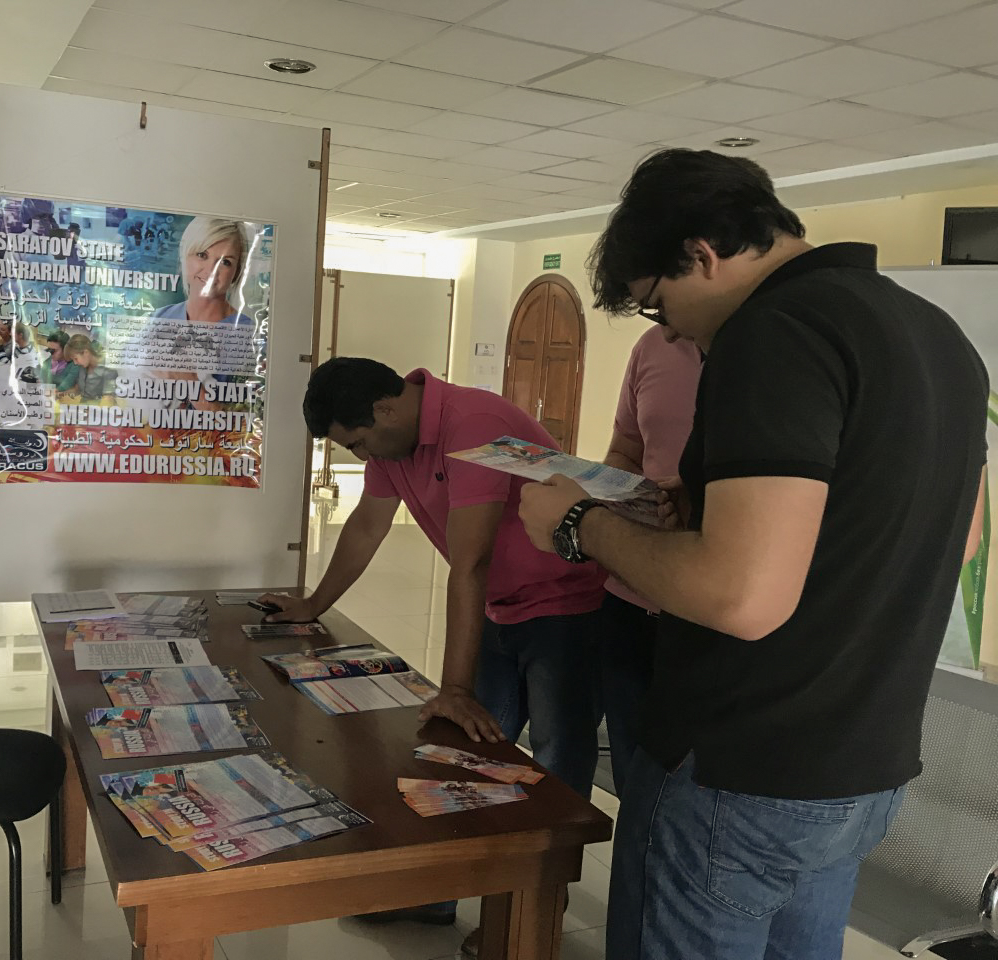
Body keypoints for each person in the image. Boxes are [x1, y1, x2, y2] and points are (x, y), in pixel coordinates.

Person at [517, 148, 988, 960]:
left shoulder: (773, 333)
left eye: (661, 308)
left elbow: (741, 598)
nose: (676, 337)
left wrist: (580, 524)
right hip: (863, 765)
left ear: (702, 253)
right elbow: (957, 536)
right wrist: (708, 520)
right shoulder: (936, 333)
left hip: (743, 764)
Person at [261, 358, 606, 945]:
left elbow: (467, 564)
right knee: (453, 752)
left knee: (554, 764)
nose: (363, 457)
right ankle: (436, 895)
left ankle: (532, 918)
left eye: (361, 442)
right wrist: (313, 603)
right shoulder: (397, 448)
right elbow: (367, 527)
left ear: (385, 409)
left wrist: (455, 687)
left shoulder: (474, 425)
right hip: (500, 605)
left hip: (565, 608)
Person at [599, 324, 701, 801]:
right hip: (630, 597)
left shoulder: (768, 345)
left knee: (689, 791)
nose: (664, 317)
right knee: (630, 767)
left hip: (705, 607)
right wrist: (613, 497)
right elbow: (625, 450)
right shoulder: (654, 344)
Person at [154, 216, 253, 328]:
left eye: (225, 262)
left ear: (236, 272)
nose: (211, 270)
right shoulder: (158, 319)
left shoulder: (249, 332)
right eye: (202, 255)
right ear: (185, 257)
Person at [62, 334, 115, 402]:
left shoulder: (108, 370)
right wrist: (62, 394)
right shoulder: (83, 367)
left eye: (76, 358)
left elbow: (108, 400)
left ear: (86, 352)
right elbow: (77, 389)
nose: (75, 363)